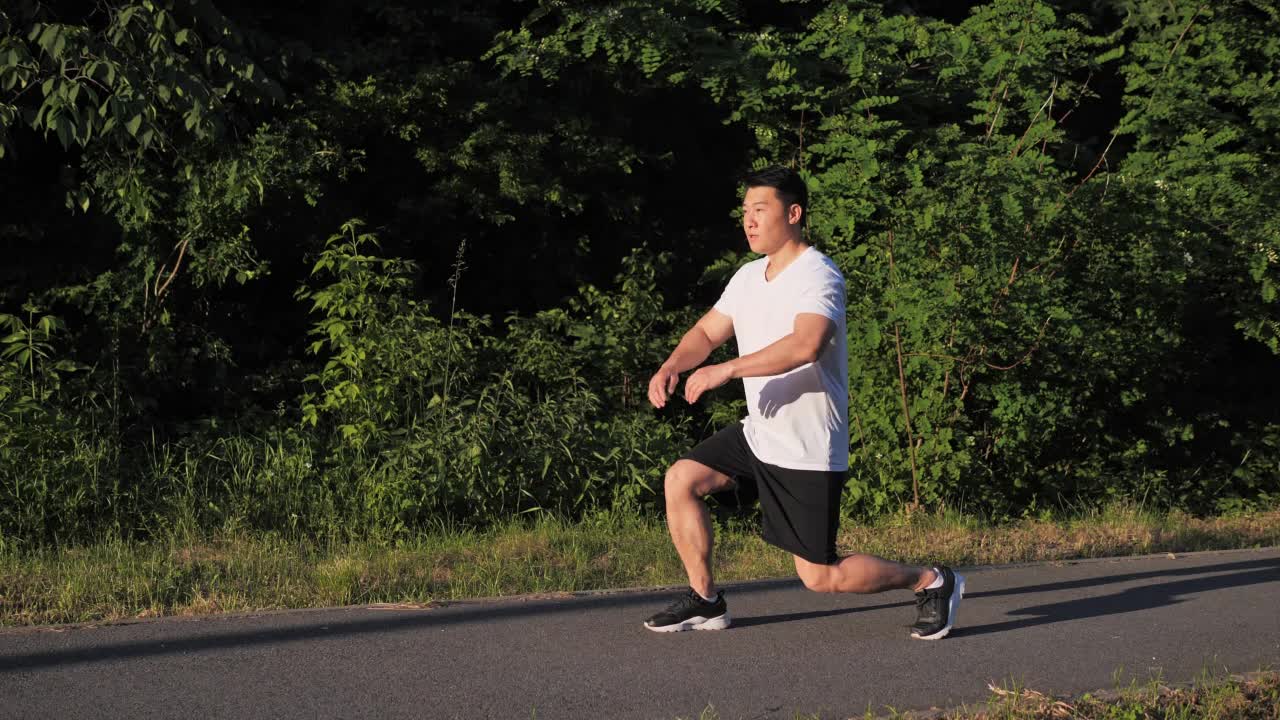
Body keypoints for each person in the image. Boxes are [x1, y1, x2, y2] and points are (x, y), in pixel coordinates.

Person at [642, 165, 964, 640]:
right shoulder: (750, 276)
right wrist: (673, 364)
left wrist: (727, 369)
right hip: (760, 434)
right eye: (745, 212)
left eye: (760, 210)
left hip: (807, 447)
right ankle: (706, 600)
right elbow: (709, 331)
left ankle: (932, 580)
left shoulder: (819, 274)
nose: (748, 221)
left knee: (820, 576)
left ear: (793, 214)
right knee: (681, 479)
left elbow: (806, 344)